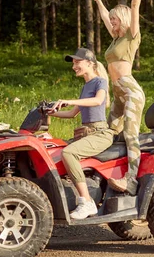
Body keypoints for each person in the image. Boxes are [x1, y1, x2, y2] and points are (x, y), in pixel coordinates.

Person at [90, 0, 152, 195]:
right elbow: (105, 17)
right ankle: (104, 176)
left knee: (129, 133)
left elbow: (135, 6)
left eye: (116, 19)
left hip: (130, 91)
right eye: (112, 19)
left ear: (123, 20)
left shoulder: (131, 36)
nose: (112, 21)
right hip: (118, 94)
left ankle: (132, 180)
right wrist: (99, 2)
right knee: (108, 133)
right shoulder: (115, 38)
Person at [48, 48, 114, 220]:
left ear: (90, 63)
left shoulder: (100, 82)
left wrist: (69, 101)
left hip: (100, 133)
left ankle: (86, 201)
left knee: (68, 153)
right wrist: (49, 112)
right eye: (73, 63)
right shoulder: (86, 87)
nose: (74, 66)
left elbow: (98, 100)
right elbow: (72, 114)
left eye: (77, 62)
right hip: (86, 133)